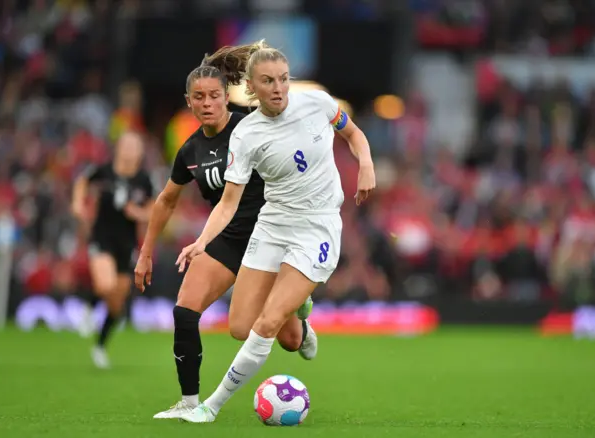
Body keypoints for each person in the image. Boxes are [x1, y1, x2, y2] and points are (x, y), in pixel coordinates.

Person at [173, 40, 375, 423]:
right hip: (273, 224)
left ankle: (209, 407)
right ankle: (302, 311)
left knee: (266, 325)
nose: (279, 87)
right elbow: (229, 202)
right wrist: (202, 241)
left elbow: (353, 134)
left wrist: (365, 163)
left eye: (283, 79)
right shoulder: (246, 135)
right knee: (244, 328)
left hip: (316, 228)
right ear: (251, 88)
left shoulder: (316, 102)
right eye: (268, 81)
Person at [132, 48, 317, 420]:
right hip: (228, 239)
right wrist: (146, 252)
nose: (207, 103)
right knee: (185, 312)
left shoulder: (252, 122)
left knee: (292, 341)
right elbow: (166, 201)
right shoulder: (190, 150)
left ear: (226, 96)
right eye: (198, 97)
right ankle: (188, 403)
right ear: (189, 102)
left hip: (272, 235)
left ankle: (300, 313)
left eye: (214, 95)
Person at [71, 131, 154, 369]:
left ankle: (99, 346)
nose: (130, 151)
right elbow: (82, 181)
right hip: (102, 236)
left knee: (117, 303)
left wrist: (138, 213)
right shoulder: (103, 171)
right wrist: (78, 204)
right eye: (126, 145)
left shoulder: (143, 180)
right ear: (118, 148)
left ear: (140, 152)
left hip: (127, 244)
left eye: (135, 146)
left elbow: (154, 208)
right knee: (104, 285)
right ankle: (89, 307)